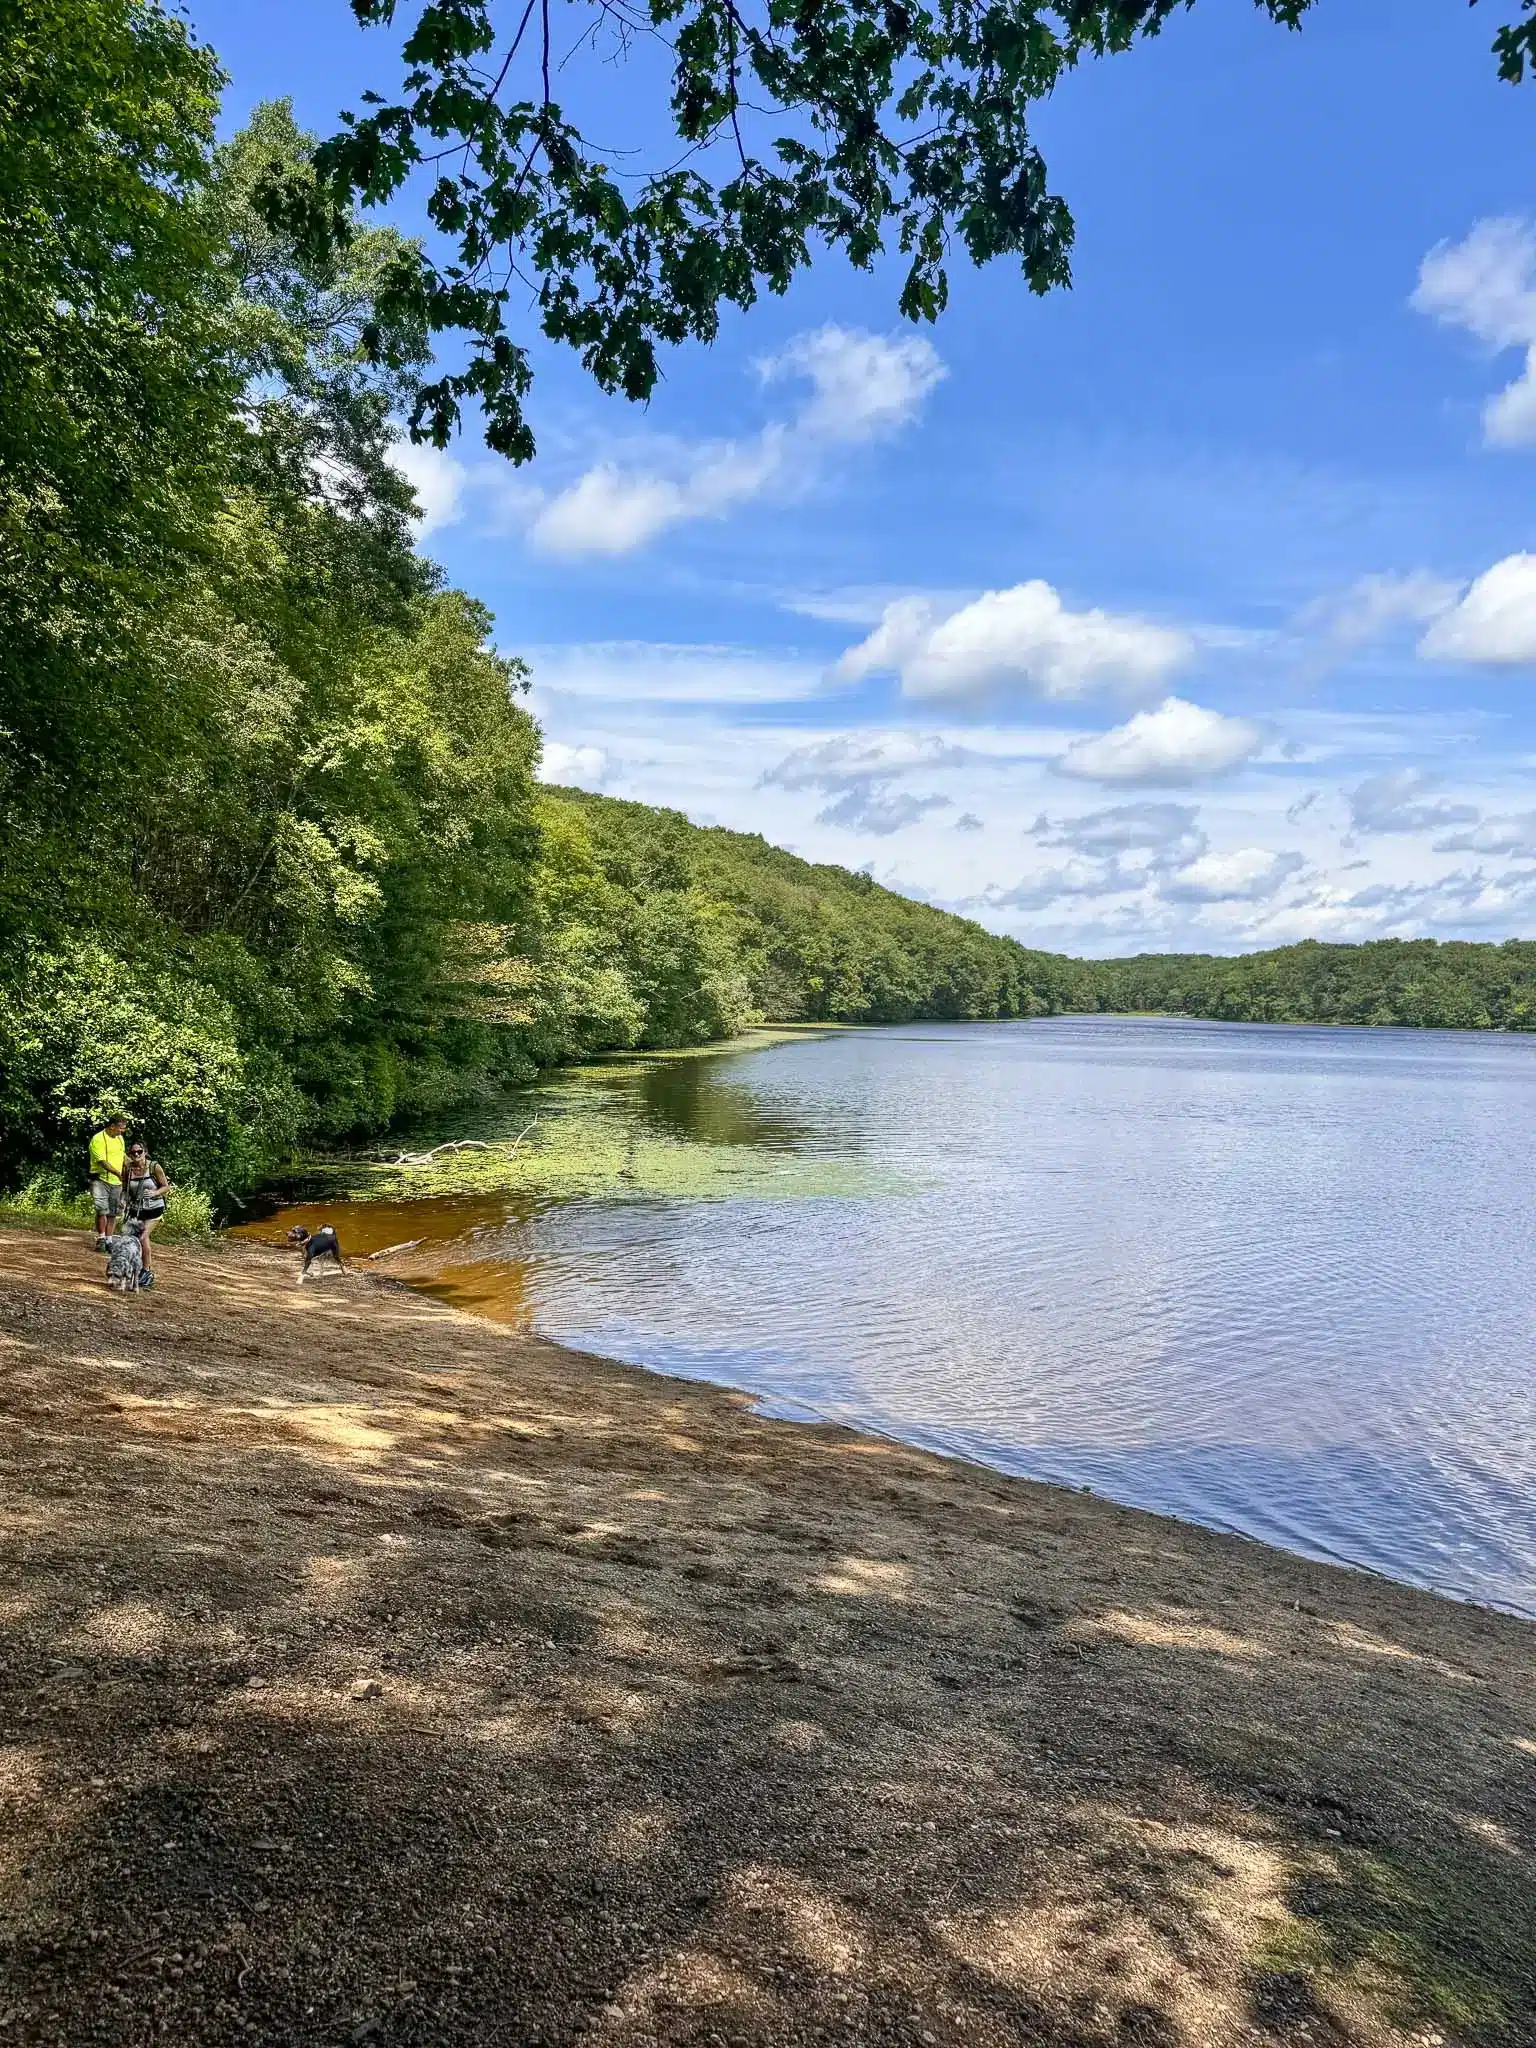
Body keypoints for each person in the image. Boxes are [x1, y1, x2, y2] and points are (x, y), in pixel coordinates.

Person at [124, 1140, 171, 1290]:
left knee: (143, 1236)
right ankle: (134, 1270)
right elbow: (125, 1188)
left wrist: (154, 1193)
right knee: (132, 1239)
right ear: (129, 1154)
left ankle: (147, 1272)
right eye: (133, 1152)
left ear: (145, 1152)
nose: (136, 1154)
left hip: (155, 1208)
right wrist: (123, 1203)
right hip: (136, 1209)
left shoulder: (154, 1167)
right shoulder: (127, 1169)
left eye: (139, 1151)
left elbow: (166, 1187)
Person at [88, 1115, 129, 1251]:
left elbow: (123, 1157)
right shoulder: (98, 1139)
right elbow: (103, 1162)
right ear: (112, 1126)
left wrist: (135, 1165)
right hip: (100, 1179)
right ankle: (101, 1238)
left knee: (113, 1212)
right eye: (121, 1128)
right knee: (102, 1210)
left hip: (116, 1183)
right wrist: (118, 1173)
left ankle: (109, 1240)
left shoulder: (120, 1139)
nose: (122, 1131)